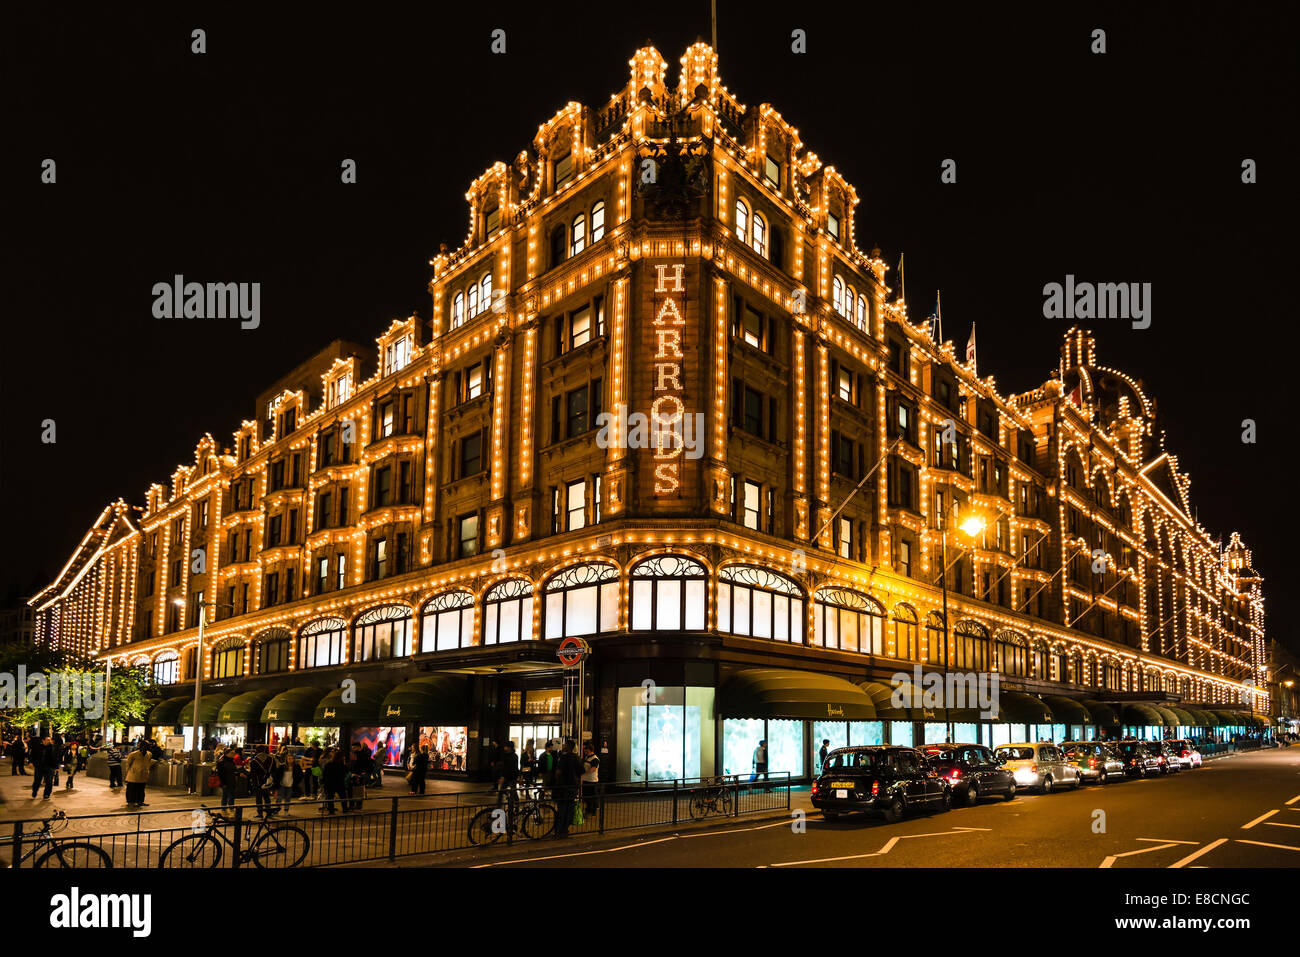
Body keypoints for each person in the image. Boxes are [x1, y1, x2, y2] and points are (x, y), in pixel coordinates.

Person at [553, 739, 582, 839]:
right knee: (569, 810)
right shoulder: (577, 758)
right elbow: (581, 771)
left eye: (565, 744)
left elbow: (558, 773)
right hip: (573, 788)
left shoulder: (564, 758)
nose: (563, 745)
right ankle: (565, 830)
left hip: (563, 787)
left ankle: (559, 831)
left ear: (568, 746)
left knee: (561, 810)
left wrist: (556, 780)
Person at [246, 746, 275, 817]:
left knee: (259, 798)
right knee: (267, 797)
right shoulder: (271, 759)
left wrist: (251, 782)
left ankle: (260, 813)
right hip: (268, 781)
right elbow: (275, 770)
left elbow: (252, 774)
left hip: (258, 782)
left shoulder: (254, 761)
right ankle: (269, 812)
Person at [123, 741, 153, 809]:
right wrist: (128, 773)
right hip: (133, 774)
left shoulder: (149, 754)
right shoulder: (133, 754)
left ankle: (140, 801)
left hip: (143, 774)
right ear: (141, 746)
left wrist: (147, 770)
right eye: (145, 746)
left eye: (148, 746)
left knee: (141, 789)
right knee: (131, 789)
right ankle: (130, 801)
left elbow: (148, 762)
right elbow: (128, 764)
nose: (147, 747)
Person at [272, 745, 300, 814]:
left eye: (291, 758)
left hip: (290, 784)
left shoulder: (296, 767)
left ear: (294, 759)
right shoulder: (282, 766)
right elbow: (277, 775)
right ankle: (277, 810)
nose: (290, 760)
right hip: (282, 784)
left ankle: (286, 811)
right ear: (286, 759)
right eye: (288, 758)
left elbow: (300, 775)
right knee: (279, 798)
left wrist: (296, 782)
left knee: (288, 798)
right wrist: (277, 783)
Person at [320, 749, 347, 814]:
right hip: (340, 783)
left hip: (329, 783)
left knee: (330, 797)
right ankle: (345, 809)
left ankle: (331, 810)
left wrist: (323, 781)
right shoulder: (342, 765)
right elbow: (344, 774)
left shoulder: (328, 764)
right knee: (343, 796)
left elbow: (325, 774)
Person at [581, 742, 601, 816]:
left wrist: (583, 772)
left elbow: (593, 769)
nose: (584, 751)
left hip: (592, 781)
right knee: (587, 797)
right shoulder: (587, 757)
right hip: (586, 780)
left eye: (586, 749)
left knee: (591, 797)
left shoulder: (595, 759)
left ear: (590, 749)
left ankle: (592, 811)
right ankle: (588, 810)